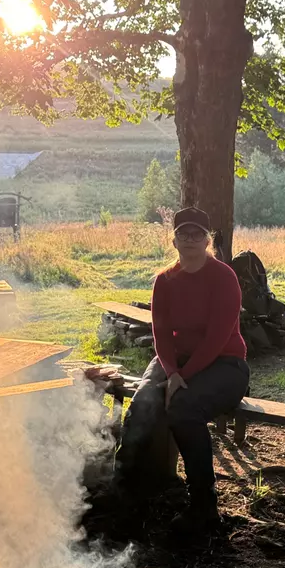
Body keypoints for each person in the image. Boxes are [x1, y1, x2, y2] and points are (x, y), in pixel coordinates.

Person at [113, 206, 249, 531]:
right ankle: (123, 487)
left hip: (225, 365)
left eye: (197, 234)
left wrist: (181, 379)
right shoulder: (164, 280)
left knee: (184, 408)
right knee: (145, 398)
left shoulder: (224, 277)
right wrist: (172, 372)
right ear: (173, 240)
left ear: (207, 240)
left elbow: (217, 338)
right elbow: (161, 334)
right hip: (177, 362)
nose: (190, 239)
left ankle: (204, 506)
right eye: (183, 234)